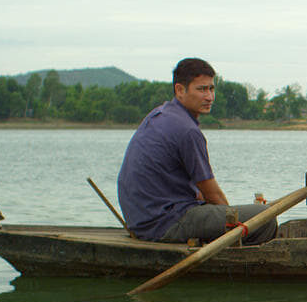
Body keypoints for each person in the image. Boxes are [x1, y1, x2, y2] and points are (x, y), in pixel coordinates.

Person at [117, 57, 276, 244]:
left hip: (142, 221)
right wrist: (234, 224)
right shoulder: (187, 131)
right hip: (165, 224)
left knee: (246, 214)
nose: (209, 97)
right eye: (201, 89)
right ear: (180, 90)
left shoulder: (159, 114)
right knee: (266, 217)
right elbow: (213, 195)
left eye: (211, 88)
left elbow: (199, 191)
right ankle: (239, 262)